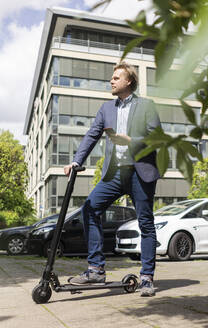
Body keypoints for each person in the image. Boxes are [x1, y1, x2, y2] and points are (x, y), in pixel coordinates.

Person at [64, 61, 161, 297]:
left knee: (145, 223)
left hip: (140, 171)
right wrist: (76, 161)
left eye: (116, 77)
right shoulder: (106, 109)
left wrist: (132, 141)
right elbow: (91, 135)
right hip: (115, 173)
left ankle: (147, 278)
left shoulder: (146, 106)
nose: (111, 80)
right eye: (112, 77)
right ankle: (96, 268)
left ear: (129, 81)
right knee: (89, 209)